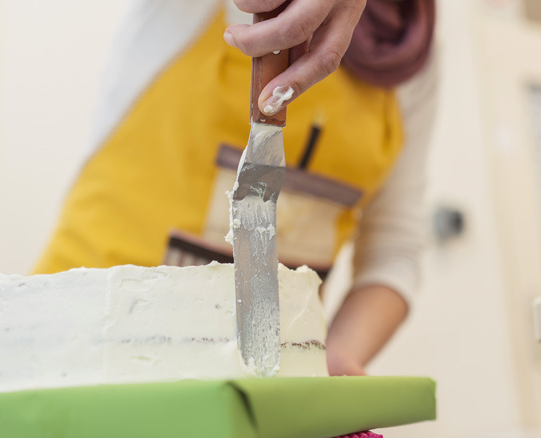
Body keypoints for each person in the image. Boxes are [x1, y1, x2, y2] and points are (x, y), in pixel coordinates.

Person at [33, 0, 437, 377]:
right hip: (81, 347)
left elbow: (394, 248)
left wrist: (340, 354)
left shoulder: (414, 45)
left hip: (259, 385)